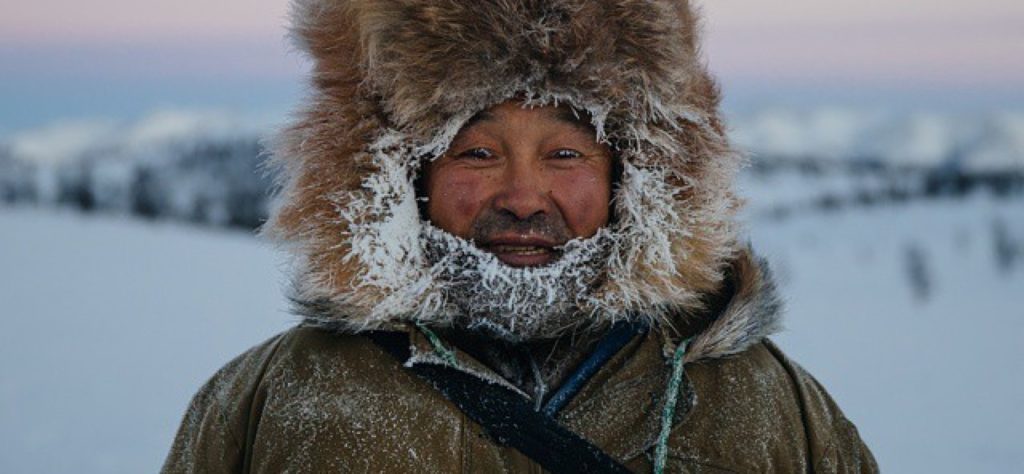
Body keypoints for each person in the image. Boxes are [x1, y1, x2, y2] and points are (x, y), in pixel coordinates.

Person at [163, 0, 877, 472]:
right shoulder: (279, 395)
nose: (523, 198)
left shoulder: (762, 401)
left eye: (565, 154)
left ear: (636, 175)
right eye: (477, 152)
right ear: (400, 174)